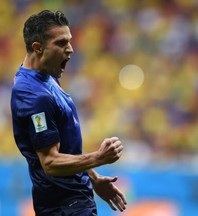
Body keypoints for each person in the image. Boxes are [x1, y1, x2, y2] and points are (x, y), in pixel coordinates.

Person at [10, 10, 127, 216]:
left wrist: (94, 178)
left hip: (72, 202)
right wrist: (98, 157)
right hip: (63, 207)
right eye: (61, 43)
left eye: (70, 41)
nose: (71, 49)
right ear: (38, 47)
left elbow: (65, 148)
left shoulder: (46, 77)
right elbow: (51, 163)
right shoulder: (34, 96)